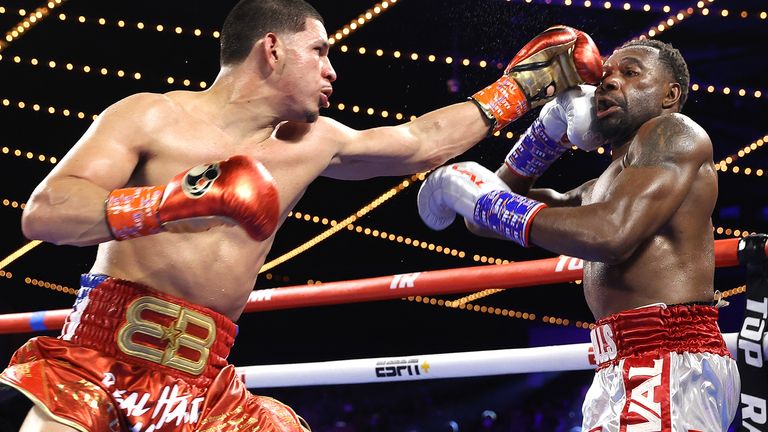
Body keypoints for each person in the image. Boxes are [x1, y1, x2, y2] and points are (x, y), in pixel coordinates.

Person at [0, 0, 603, 430]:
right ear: (271, 48)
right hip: (103, 356)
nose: (332, 71)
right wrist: (172, 200)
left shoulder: (312, 143)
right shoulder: (147, 115)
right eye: (319, 51)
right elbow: (48, 213)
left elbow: (420, 141)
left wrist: (522, 87)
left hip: (205, 380)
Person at [418, 38, 740, 430]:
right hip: (623, 363)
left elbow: (610, 235)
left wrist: (485, 202)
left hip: (666, 356)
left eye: (630, 72)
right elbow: (484, 218)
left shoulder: (674, 132)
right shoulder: (596, 189)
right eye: (605, 75)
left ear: (669, 94)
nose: (608, 81)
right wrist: (544, 135)